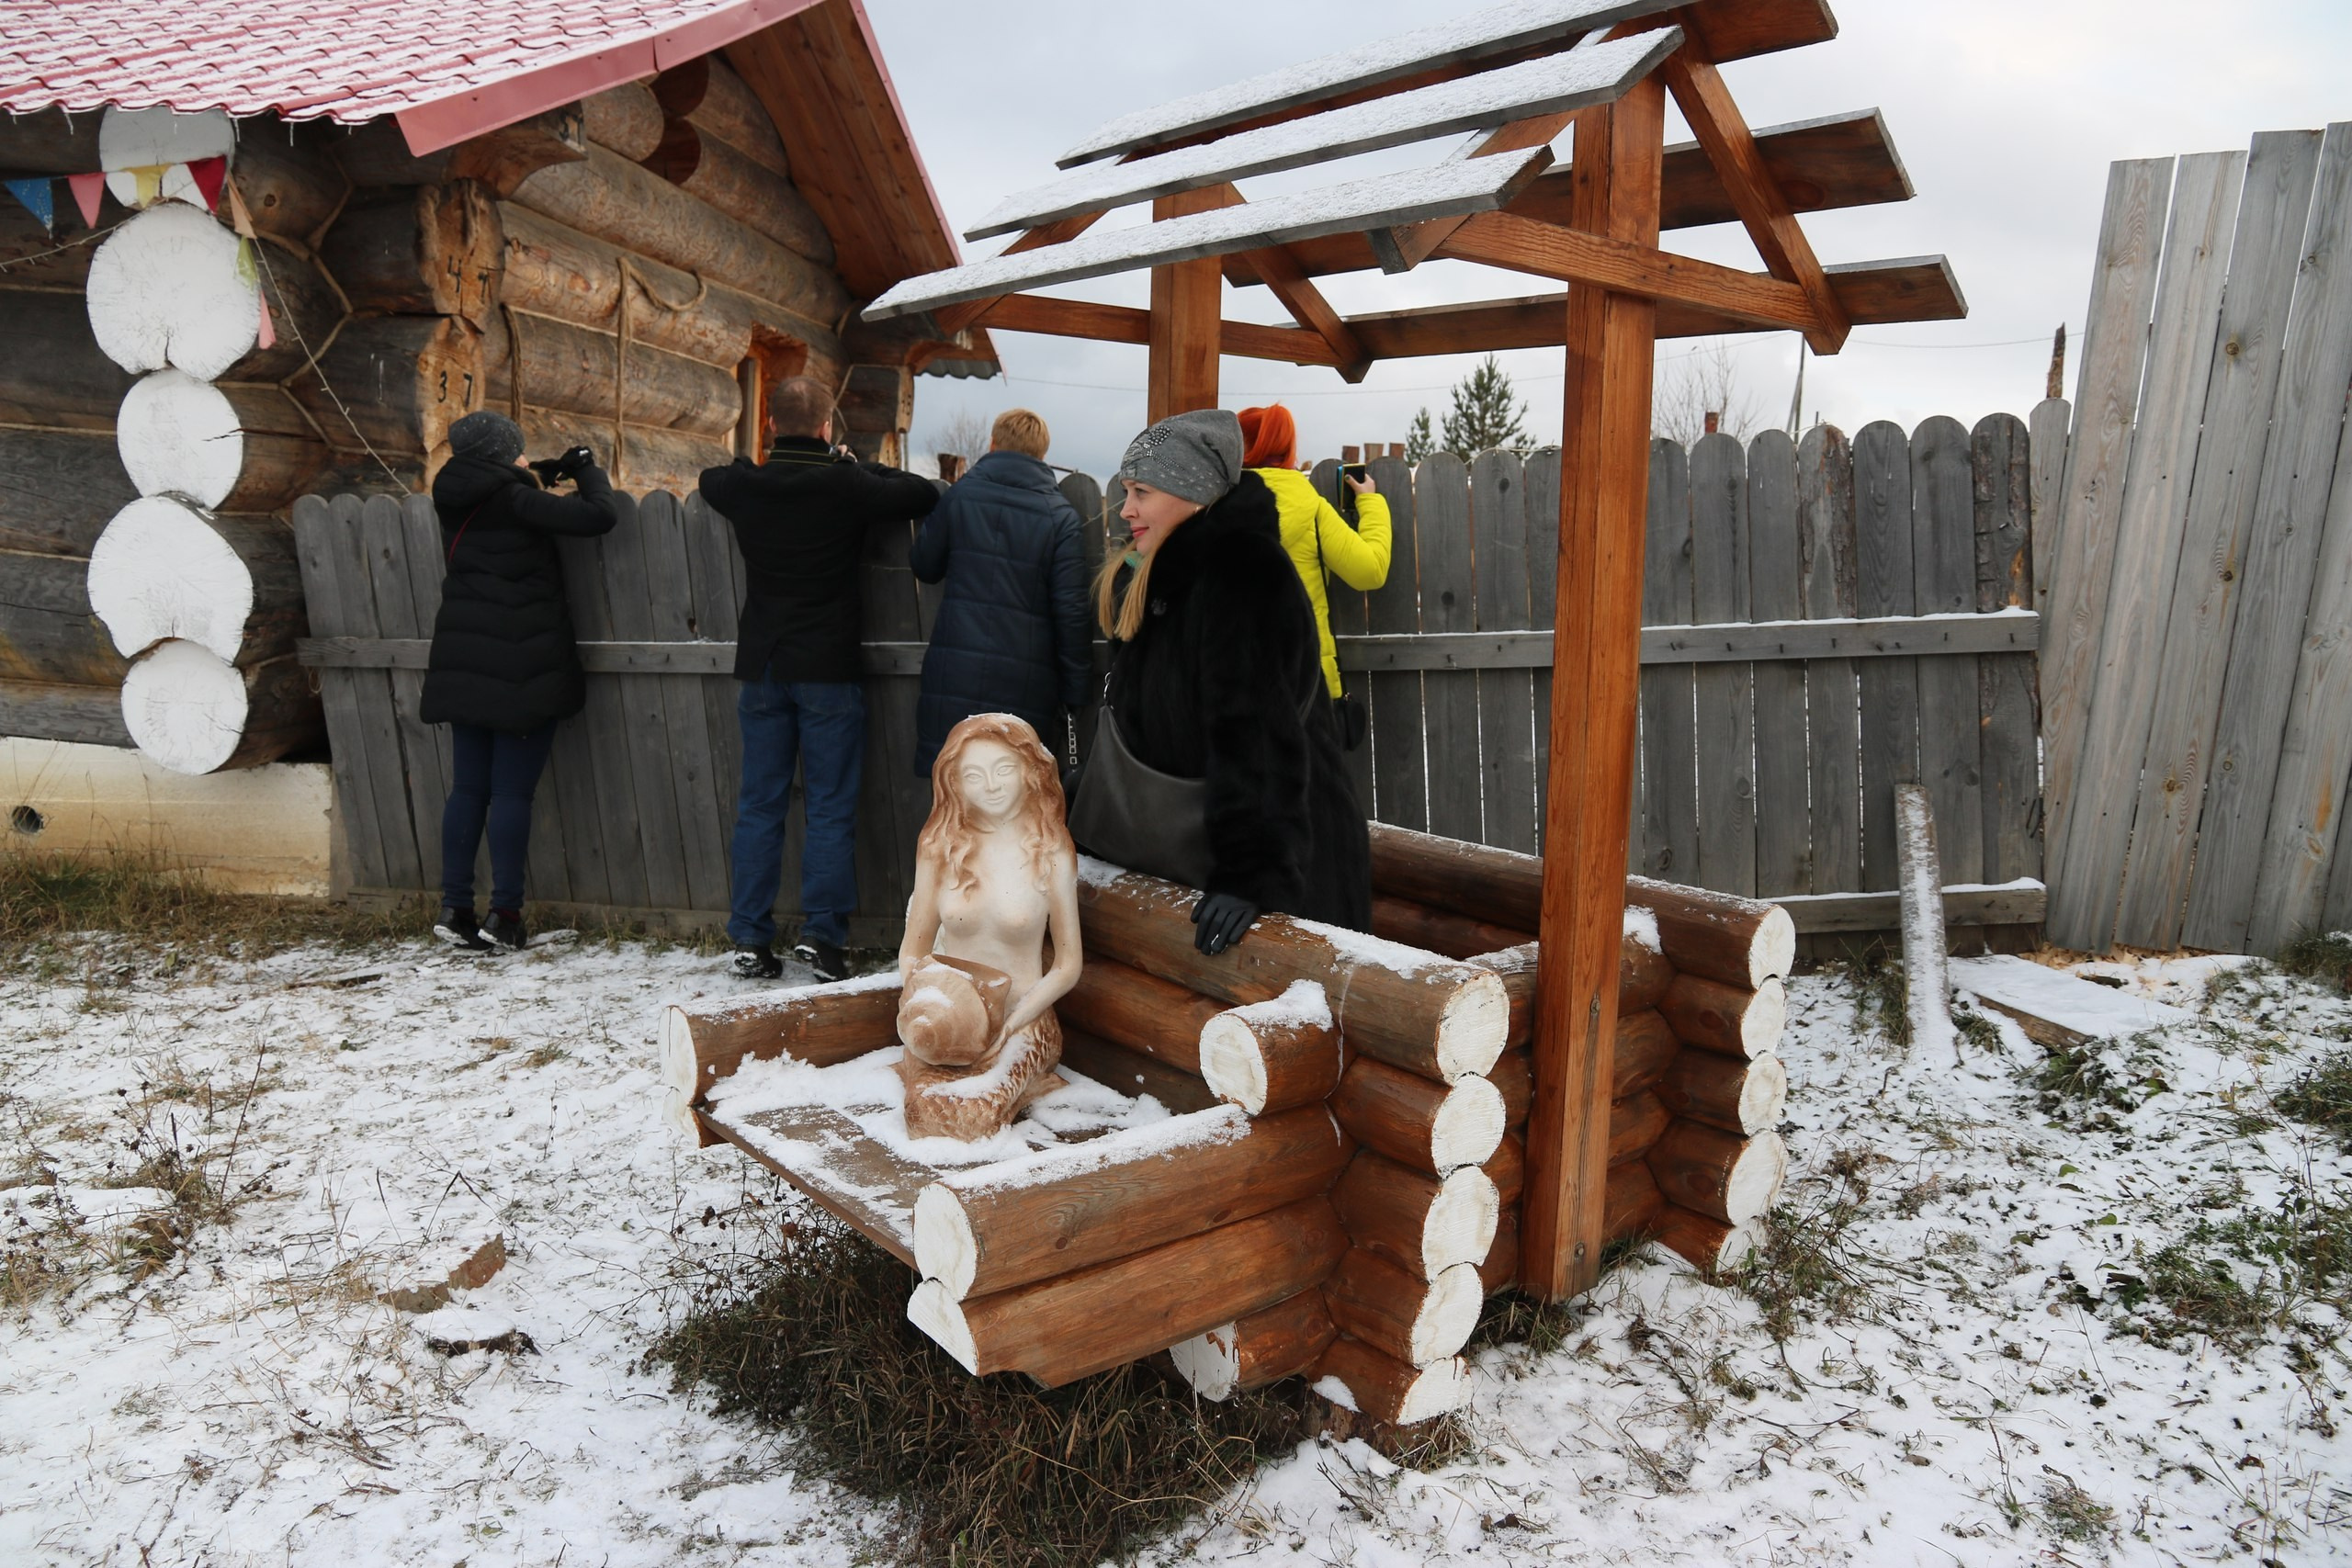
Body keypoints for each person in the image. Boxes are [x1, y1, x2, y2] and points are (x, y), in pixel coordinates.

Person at [1082, 409, 1371, 954]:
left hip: (1287, 873)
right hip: (1199, 860)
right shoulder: (1162, 577)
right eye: (1126, 491)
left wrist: (1252, 875)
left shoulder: (1242, 573)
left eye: (1141, 491)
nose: (1127, 510)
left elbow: (1256, 736)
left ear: (1191, 492)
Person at [699, 376, 940, 983]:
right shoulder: (843, 483)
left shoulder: (746, 486)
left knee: (760, 804)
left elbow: (713, 478)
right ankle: (824, 938)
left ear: (772, 426)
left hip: (765, 665)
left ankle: (751, 939)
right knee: (830, 807)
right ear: (828, 429)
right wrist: (857, 467)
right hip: (828, 666)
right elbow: (918, 493)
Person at [420, 411, 623, 953]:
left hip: (465, 657)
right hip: (520, 661)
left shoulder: (455, 492)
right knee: (511, 792)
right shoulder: (511, 498)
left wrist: (537, 471)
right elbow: (600, 516)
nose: (523, 457)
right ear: (498, 453)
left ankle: (456, 907)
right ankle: (504, 914)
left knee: (468, 789)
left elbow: (512, 489)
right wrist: (585, 469)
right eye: (517, 450)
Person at [909, 409, 1091, 781]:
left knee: (954, 805)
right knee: (1016, 805)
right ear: (1042, 454)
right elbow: (1071, 612)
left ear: (992, 444)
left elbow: (925, 566)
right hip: (1026, 687)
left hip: (954, 676)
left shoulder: (960, 496)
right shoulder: (1060, 516)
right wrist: (1075, 692)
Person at [1237, 404, 1391, 709]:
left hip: (1233, 679)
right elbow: (1369, 571)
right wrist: (1370, 503)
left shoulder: (1209, 508)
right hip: (1307, 683)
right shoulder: (1310, 507)